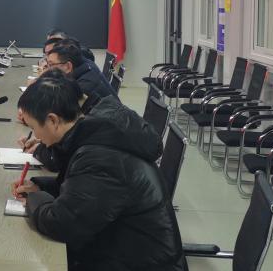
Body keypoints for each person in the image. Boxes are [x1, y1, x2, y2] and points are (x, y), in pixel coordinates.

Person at [13, 76, 185, 271]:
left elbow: (63, 225)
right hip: (119, 252)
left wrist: (34, 199)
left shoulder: (101, 157)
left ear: (52, 120)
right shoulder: (97, 134)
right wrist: (41, 186)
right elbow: (82, 190)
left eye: (34, 128)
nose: (36, 136)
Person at [43, 39, 115, 112]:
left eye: (51, 65)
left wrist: (42, 82)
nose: (48, 69)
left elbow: (59, 112)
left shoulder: (83, 87)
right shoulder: (83, 69)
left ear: (68, 66)